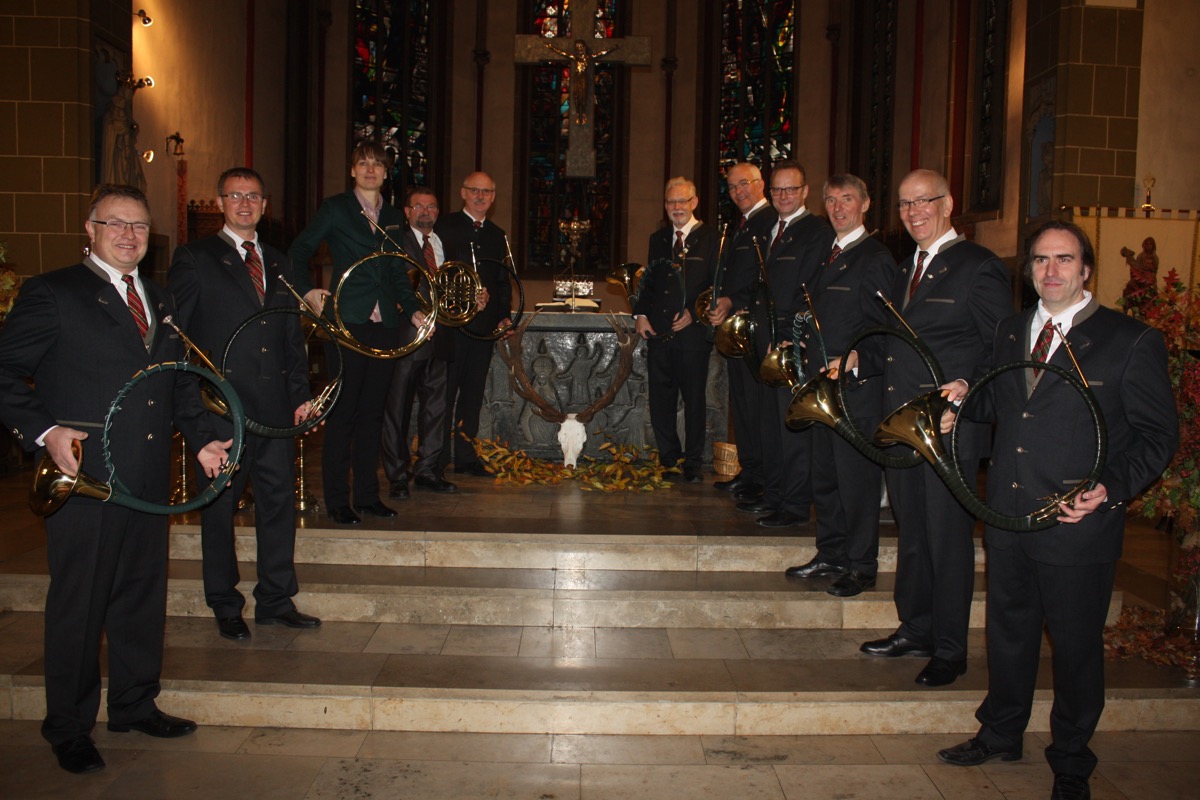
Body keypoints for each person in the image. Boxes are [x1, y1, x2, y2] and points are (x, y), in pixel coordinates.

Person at [936, 221, 1178, 800]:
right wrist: (962, 403)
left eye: (1063, 260)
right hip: (1010, 514)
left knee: (1074, 647)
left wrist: (1109, 490)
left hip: (1078, 520)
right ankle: (1000, 732)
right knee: (1008, 632)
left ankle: (1071, 757)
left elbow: (1156, 435)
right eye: (1041, 260)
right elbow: (1003, 400)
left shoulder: (1130, 340)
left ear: (1086, 269)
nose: (1050, 271)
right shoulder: (1012, 329)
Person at [0, 184, 230, 774]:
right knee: (80, 603)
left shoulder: (159, 297)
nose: (129, 236)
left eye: (139, 227)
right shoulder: (53, 292)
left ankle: (134, 703)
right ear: (91, 228)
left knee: (139, 596)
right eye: (116, 224)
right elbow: (5, 371)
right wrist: (45, 431)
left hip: (148, 479)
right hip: (85, 475)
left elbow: (178, 380)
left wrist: (204, 437)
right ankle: (68, 725)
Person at [844, 169, 1011, 687]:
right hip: (903, 426)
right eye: (904, 204)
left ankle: (950, 648)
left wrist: (968, 387)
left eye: (924, 201)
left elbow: (1002, 349)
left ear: (948, 203)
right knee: (913, 533)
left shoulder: (977, 267)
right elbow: (893, 338)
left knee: (947, 539)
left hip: (948, 427)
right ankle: (914, 628)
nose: (914, 212)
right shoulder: (904, 269)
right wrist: (856, 355)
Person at [168, 167, 320, 640]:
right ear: (220, 203)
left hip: (275, 409)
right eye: (236, 196)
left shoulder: (277, 260)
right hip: (222, 408)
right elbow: (180, 340)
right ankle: (224, 602)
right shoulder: (195, 258)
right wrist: (192, 408)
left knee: (277, 505)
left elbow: (291, 336)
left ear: (264, 204)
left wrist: (301, 397)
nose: (245, 203)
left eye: (254, 196)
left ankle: (275, 598)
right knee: (221, 508)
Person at [288, 141, 426, 525]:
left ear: (386, 173)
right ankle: (337, 500)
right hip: (347, 321)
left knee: (373, 415)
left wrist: (413, 311)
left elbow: (399, 271)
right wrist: (309, 291)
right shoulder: (335, 208)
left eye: (377, 165)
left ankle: (367, 496)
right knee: (344, 413)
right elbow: (300, 250)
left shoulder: (395, 215)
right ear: (353, 170)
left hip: (385, 326)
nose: (370, 170)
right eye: (363, 163)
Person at [785, 174, 896, 594]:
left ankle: (861, 565)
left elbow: (889, 330)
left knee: (857, 483)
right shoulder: (824, 253)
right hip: (820, 389)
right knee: (826, 479)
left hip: (855, 392)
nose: (838, 207)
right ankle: (830, 553)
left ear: (865, 204)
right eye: (831, 200)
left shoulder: (876, 257)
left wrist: (856, 358)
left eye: (847, 199)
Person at [739, 161, 833, 527]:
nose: (783, 196)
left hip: (789, 345)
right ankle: (774, 493)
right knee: (768, 425)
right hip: (763, 342)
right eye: (777, 190)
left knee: (790, 427)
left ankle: (794, 505)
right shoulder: (769, 229)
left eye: (790, 190)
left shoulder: (816, 232)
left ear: (805, 192)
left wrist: (784, 338)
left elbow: (806, 293)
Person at [633, 177, 719, 482]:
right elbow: (649, 281)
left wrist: (695, 315)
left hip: (694, 336)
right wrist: (641, 314)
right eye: (671, 202)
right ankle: (669, 459)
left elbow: (716, 286)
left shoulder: (712, 237)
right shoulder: (658, 239)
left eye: (683, 201)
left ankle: (693, 461)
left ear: (694, 203)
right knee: (661, 400)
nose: (677, 207)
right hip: (659, 333)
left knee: (694, 399)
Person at [707, 162, 777, 503]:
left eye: (744, 184)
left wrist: (733, 299)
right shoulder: (744, 225)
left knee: (757, 407)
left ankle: (763, 477)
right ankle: (750, 471)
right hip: (737, 328)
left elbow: (767, 278)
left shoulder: (770, 221)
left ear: (761, 184)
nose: (738, 191)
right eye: (733, 187)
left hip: (754, 327)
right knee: (743, 408)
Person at [381, 187, 459, 497]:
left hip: (442, 337)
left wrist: (474, 299)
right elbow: (388, 283)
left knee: (436, 408)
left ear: (438, 212)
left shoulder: (445, 244)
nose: (425, 212)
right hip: (407, 336)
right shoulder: (396, 241)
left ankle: (428, 470)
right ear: (407, 211)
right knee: (397, 409)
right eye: (419, 207)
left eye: (432, 206)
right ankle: (398, 476)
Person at [436, 171, 512, 478]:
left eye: (487, 192)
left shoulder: (497, 234)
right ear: (463, 193)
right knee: (444, 395)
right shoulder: (445, 227)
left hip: (482, 330)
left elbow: (503, 280)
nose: (481, 196)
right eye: (475, 190)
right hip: (451, 329)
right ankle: (436, 458)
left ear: (493, 197)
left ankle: (466, 457)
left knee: (471, 395)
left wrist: (504, 314)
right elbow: (435, 274)